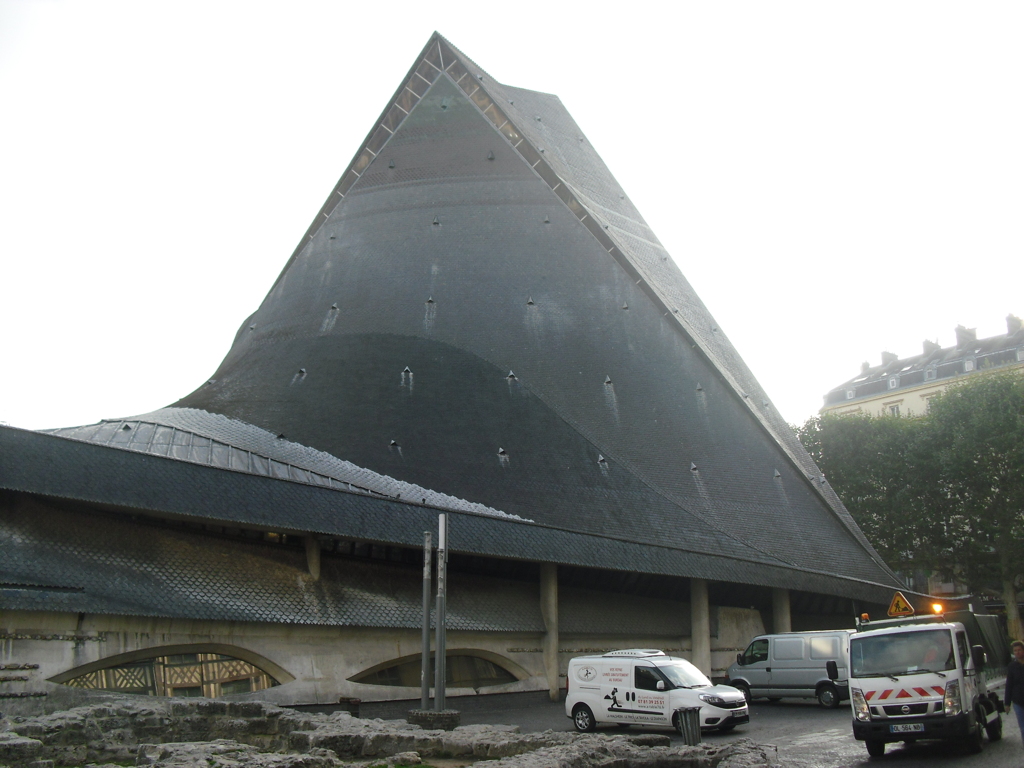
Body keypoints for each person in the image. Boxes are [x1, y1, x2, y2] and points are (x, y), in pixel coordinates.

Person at [1005, 640, 1024, 746]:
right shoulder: (1012, 667)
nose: (1017, 652)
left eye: (1019, 650)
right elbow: (1009, 685)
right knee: (1023, 728)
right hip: (1018, 700)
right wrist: (1007, 703)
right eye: (1015, 651)